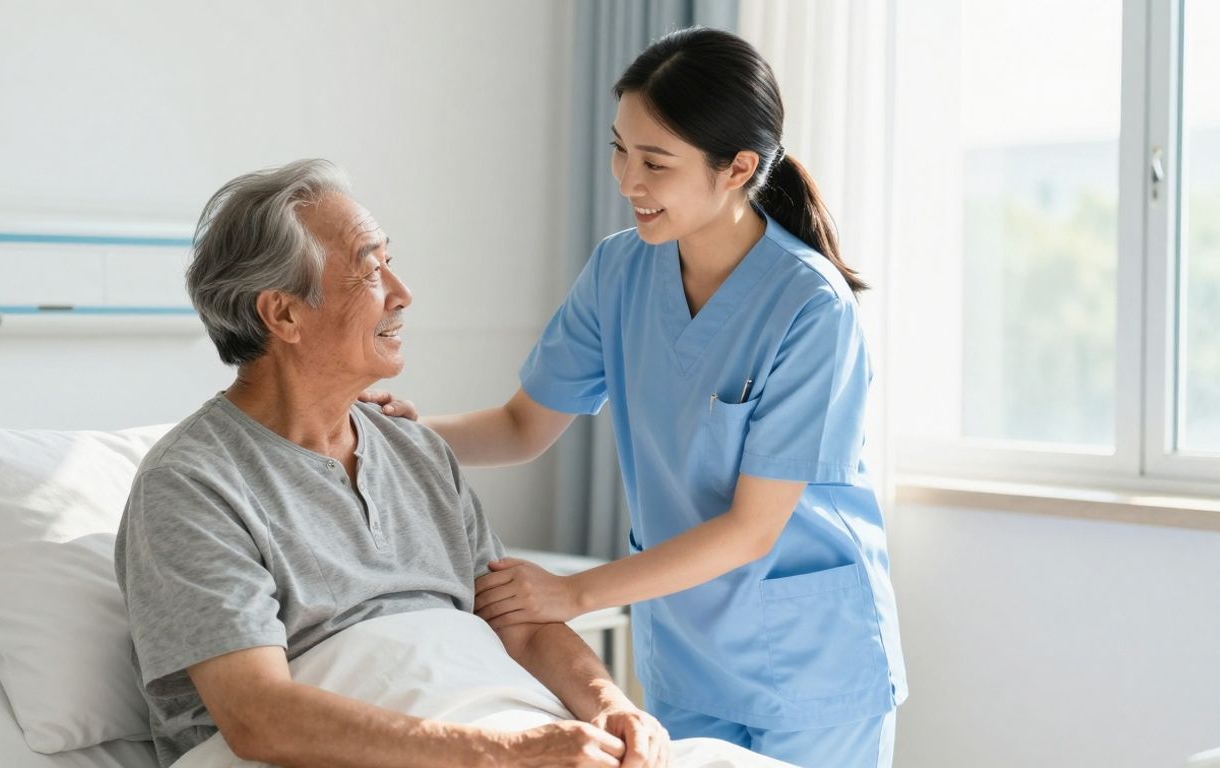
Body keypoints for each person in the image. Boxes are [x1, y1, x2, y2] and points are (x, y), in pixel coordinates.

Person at [365, 27, 907, 768]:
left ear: (737, 168)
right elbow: (524, 426)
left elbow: (752, 528)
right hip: (686, 656)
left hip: (811, 666)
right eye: (620, 150)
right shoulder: (619, 272)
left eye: (656, 162)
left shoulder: (810, 307)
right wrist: (406, 434)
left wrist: (574, 595)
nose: (627, 182)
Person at [114, 159, 671, 768]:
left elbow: (522, 625)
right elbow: (257, 717)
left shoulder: (415, 450)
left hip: (498, 726)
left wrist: (611, 706)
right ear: (283, 314)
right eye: (370, 270)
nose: (402, 294)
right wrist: (506, 753)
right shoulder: (192, 484)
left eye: (391, 262)